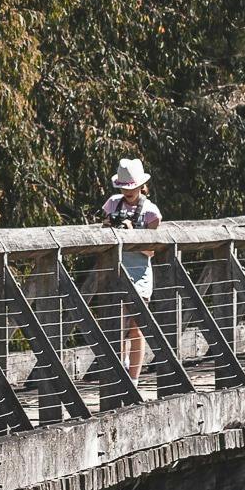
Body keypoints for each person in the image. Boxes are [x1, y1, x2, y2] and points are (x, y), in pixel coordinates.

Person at [99, 157, 163, 381]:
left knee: (136, 328)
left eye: (132, 187)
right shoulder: (112, 204)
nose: (128, 192)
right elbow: (103, 234)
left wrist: (133, 233)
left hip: (139, 275)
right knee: (117, 327)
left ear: (141, 186)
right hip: (115, 272)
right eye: (124, 187)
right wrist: (111, 227)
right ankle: (119, 373)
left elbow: (151, 251)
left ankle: (134, 379)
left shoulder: (150, 212)